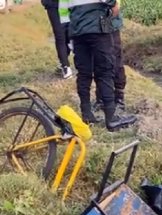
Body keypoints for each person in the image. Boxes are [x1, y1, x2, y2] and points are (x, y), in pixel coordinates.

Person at [60, 0, 136, 130]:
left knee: (83, 73)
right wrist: (113, 6)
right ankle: (111, 119)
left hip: (76, 30)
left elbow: (62, 12)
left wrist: (69, 35)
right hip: (98, 28)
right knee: (105, 71)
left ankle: (87, 115)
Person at [94, 0, 127, 112]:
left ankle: (119, 99)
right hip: (94, 26)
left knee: (116, 61)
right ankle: (100, 98)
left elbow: (115, 7)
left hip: (111, 24)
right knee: (97, 61)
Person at [42, 0, 73, 79]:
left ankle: (62, 62)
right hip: (52, 4)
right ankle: (65, 66)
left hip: (68, 4)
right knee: (59, 35)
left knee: (69, 35)